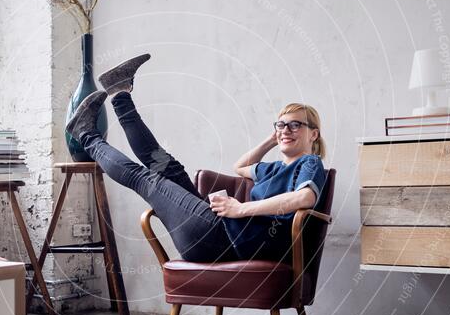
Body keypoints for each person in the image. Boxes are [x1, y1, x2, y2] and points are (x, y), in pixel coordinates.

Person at [66, 54, 328, 264]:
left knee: (147, 179)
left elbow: (304, 198)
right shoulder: (274, 168)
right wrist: (273, 139)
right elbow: (240, 167)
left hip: (222, 240)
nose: (286, 130)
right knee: (164, 164)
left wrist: (240, 209)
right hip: (217, 230)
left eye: (295, 125)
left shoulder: (311, 164)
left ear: (313, 133)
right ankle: (119, 92)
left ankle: (85, 135)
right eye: (281, 125)